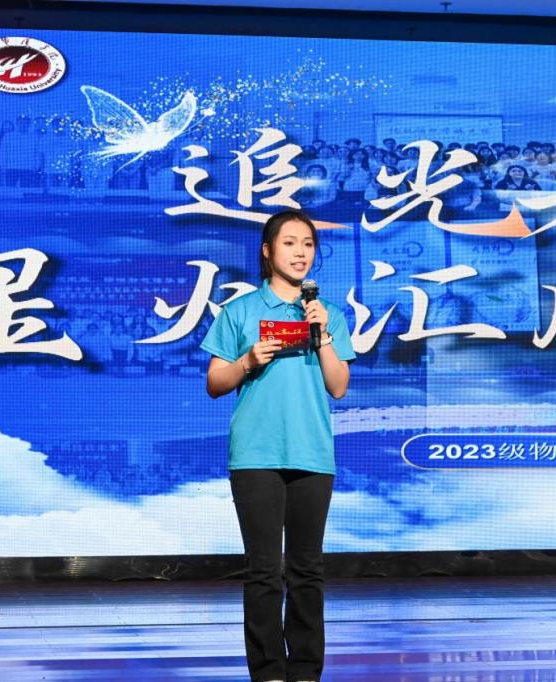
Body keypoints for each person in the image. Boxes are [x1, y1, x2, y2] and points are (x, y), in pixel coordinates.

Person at [201, 210, 355, 682]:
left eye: (307, 243)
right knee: (264, 570)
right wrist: (248, 359)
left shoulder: (327, 313)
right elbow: (215, 383)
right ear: (268, 251)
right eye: (289, 243)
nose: (300, 252)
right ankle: (268, 671)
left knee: (307, 569)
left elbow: (338, 386)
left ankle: (306, 671)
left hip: (311, 453)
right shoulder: (241, 311)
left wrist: (322, 335)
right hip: (256, 454)